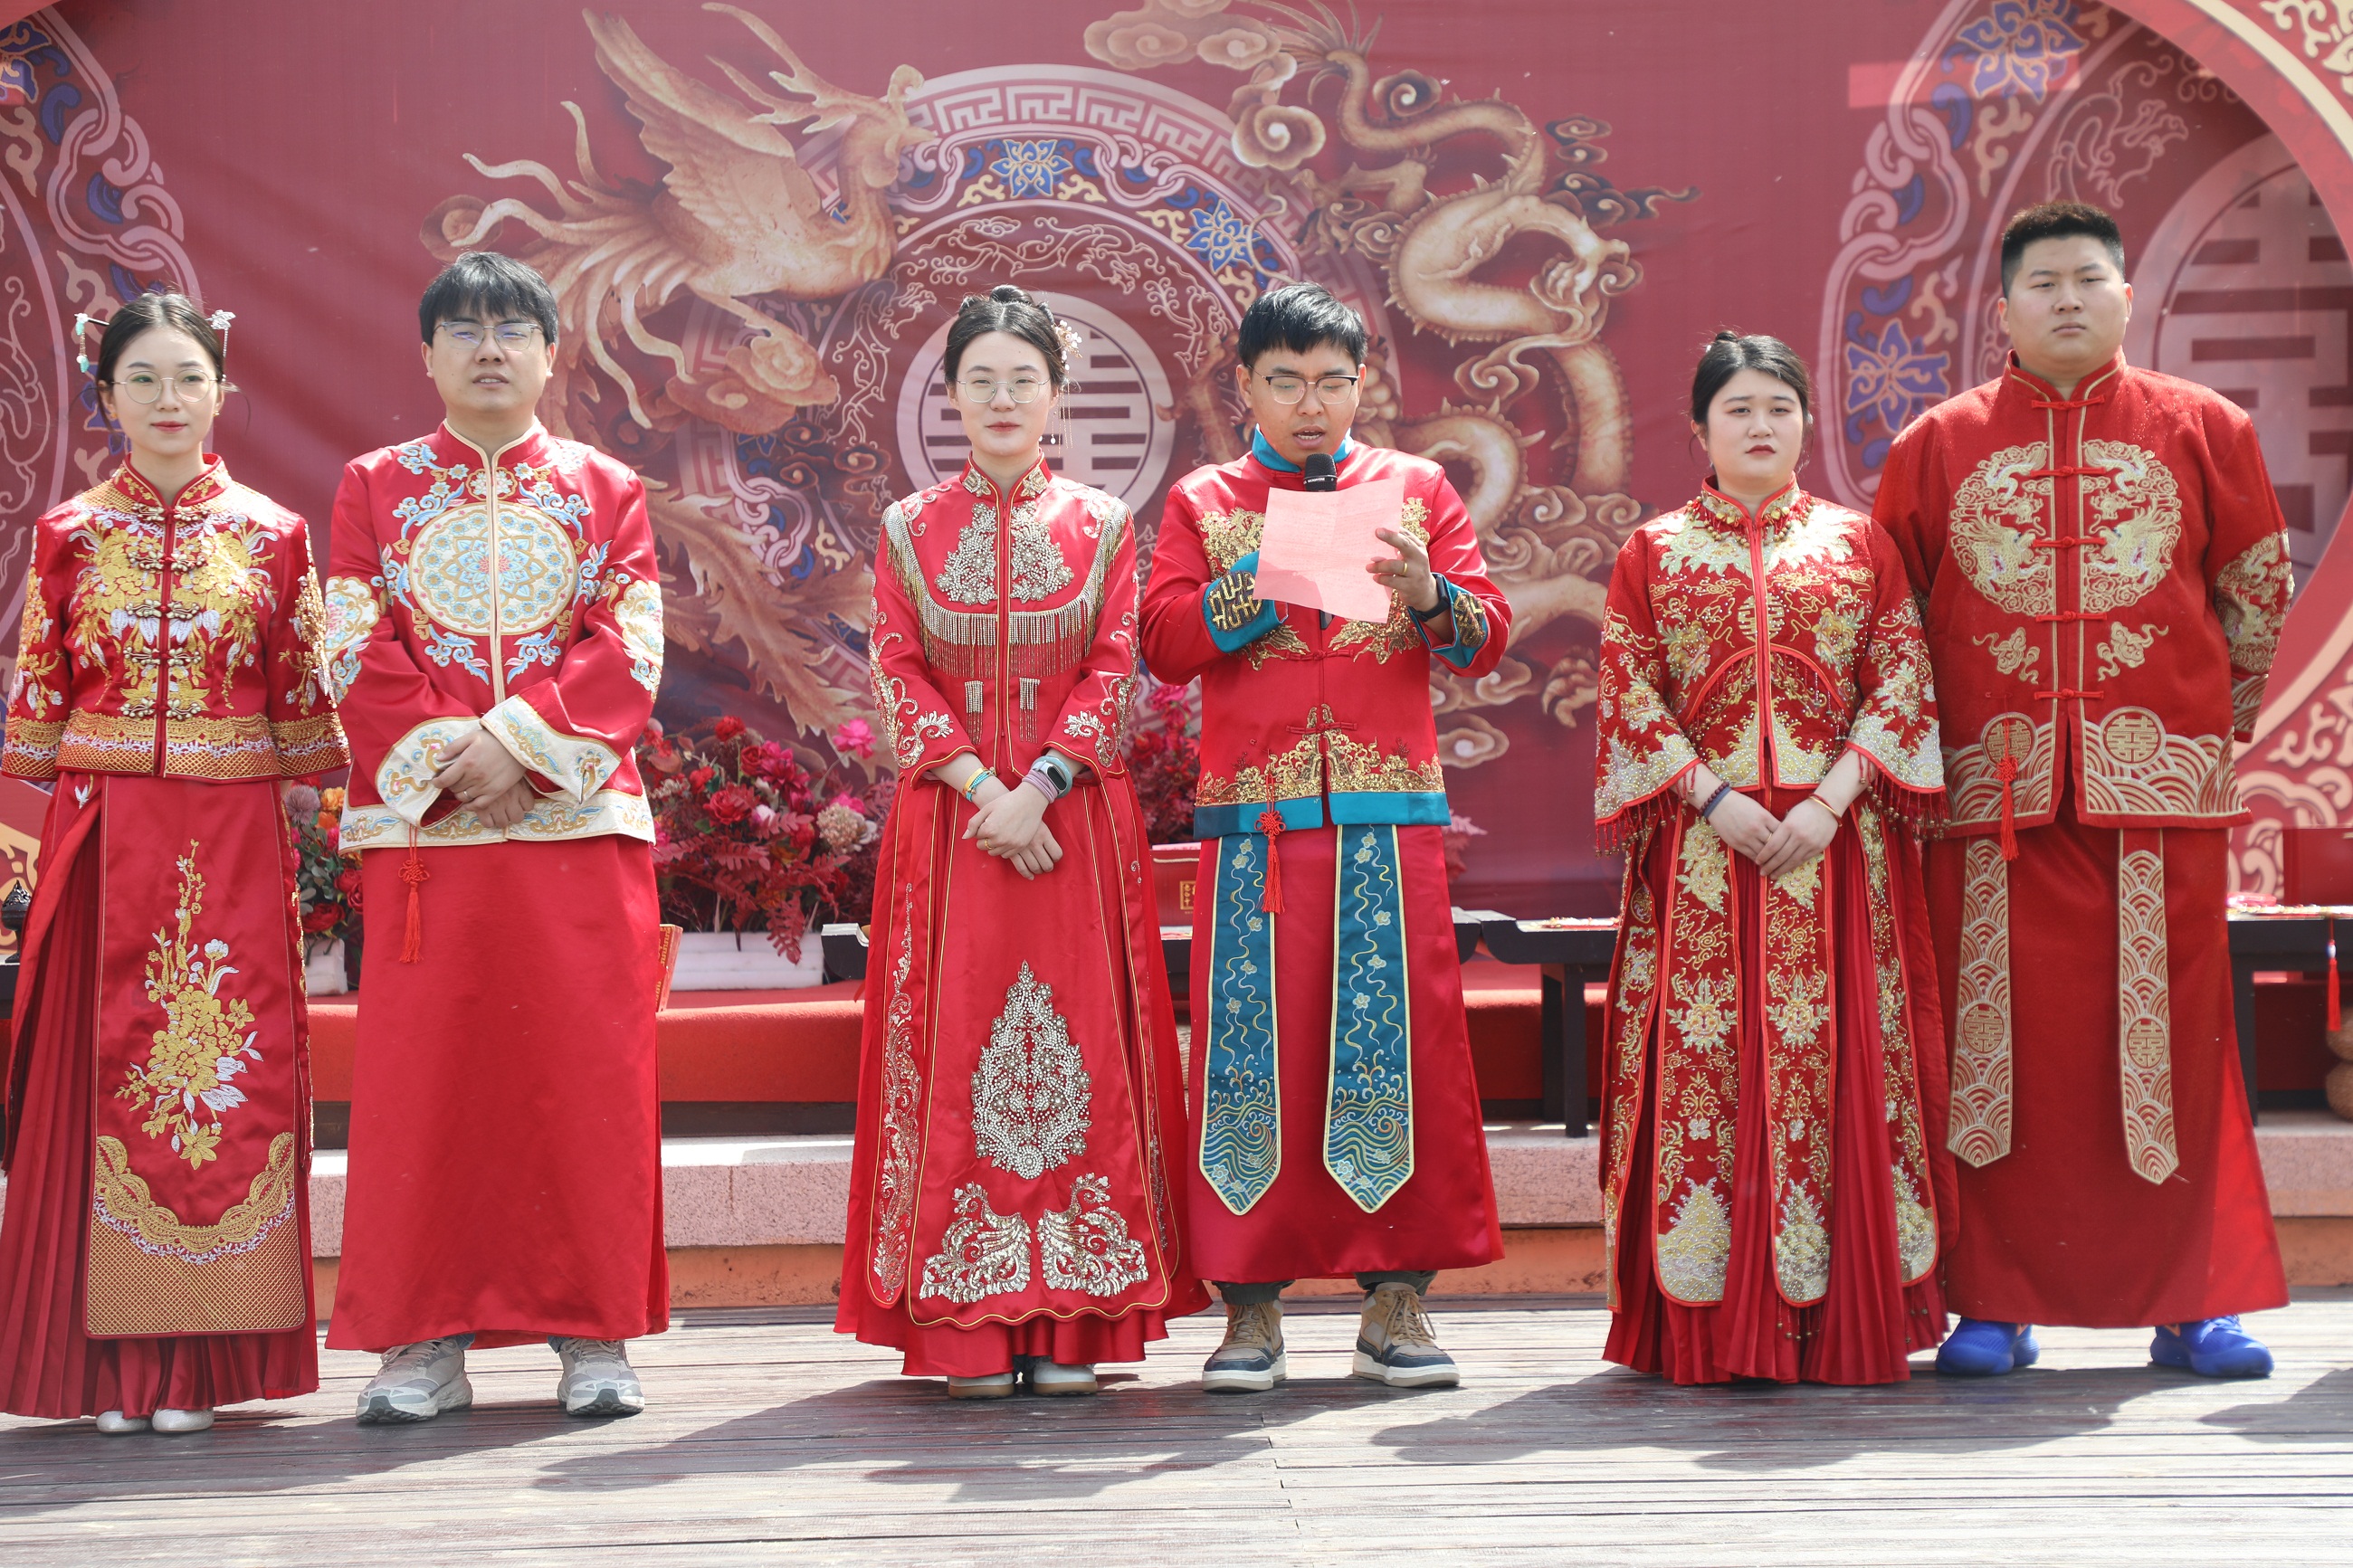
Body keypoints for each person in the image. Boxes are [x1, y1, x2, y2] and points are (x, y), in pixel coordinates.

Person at [1873, 200, 2291, 1378]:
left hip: (2156, 792)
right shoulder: (1937, 443)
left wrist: (2199, 730)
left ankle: (2196, 1301)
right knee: (1996, 1055)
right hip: (1992, 796)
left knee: (2176, 1050)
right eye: (2042, 283)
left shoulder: (2204, 427)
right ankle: (1991, 1301)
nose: (2066, 299)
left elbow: (2255, 589)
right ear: (2002, 308)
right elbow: (1893, 619)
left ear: (2124, 294)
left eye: (2086, 278)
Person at [1140, 281, 1511, 1392]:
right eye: (1287, 382)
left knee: (1396, 1051)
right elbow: (1163, 641)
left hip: (1383, 822)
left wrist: (1428, 591)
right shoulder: (1205, 499)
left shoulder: (1415, 489)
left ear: (1361, 385)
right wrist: (1260, 578)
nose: (1311, 404)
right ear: (1245, 385)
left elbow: (1485, 635)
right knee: (1248, 1054)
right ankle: (1249, 1309)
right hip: (1253, 828)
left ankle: (1395, 1299)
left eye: (1331, 383)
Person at [837, 285, 1207, 1398]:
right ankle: (965, 1321)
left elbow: (1113, 667)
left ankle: (1077, 1322)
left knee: (1082, 1047)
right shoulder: (907, 528)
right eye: (980, 379)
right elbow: (896, 668)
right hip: (952, 829)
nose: (1002, 399)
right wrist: (980, 787)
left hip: (1072, 823)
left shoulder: (1103, 525)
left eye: (1023, 379)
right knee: (952, 1048)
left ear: (1056, 394)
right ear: (950, 394)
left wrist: (1038, 785)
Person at [319, 252, 669, 1421]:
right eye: (462, 329)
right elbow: (352, 641)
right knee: (426, 1090)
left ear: (550, 353)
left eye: (511, 328)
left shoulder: (606, 487)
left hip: (575, 830)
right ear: (425, 354)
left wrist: (517, 746)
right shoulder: (373, 486)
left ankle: (595, 1334)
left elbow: (632, 644)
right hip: (432, 844)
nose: (487, 348)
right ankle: (421, 1341)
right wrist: (458, 765)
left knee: (586, 1080)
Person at [0, 293, 348, 1433]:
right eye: (142, 379)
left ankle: (198, 1365)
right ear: (105, 394)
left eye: (188, 377)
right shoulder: (67, 535)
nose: (167, 399)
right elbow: (35, 715)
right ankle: (108, 1369)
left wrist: (345, 821)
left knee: (219, 1087)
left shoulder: (273, 536)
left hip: (232, 843)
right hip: (102, 840)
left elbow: (306, 711)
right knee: (100, 1082)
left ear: (220, 391)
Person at [1592, 332, 1952, 1384]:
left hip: (1830, 853)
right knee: (1707, 1073)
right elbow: (1627, 692)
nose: (1759, 425)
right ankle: (1709, 1325)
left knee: (1836, 1068)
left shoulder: (1857, 543)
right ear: (1698, 427)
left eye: (1779, 407)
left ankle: (1838, 1318)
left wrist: (1831, 802)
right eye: (1738, 408)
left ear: (1805, 421)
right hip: (1703, 856)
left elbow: (1901, 678)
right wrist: (1711, 796)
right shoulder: (1652, 552)